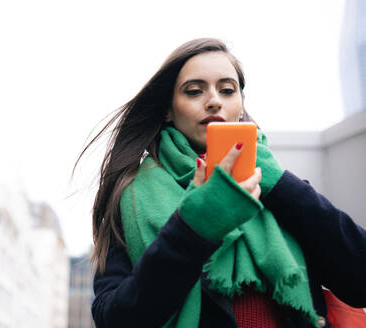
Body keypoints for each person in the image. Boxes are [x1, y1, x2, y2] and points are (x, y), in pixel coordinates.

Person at [76, 38, 366, 328]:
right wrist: (193, 226)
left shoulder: (281, 190)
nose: (214, 100)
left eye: (227, 90)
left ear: (240, 106)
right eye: (194, 91)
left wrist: (278, 184)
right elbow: (114, 319)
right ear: (168, 109)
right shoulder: (132, 198)